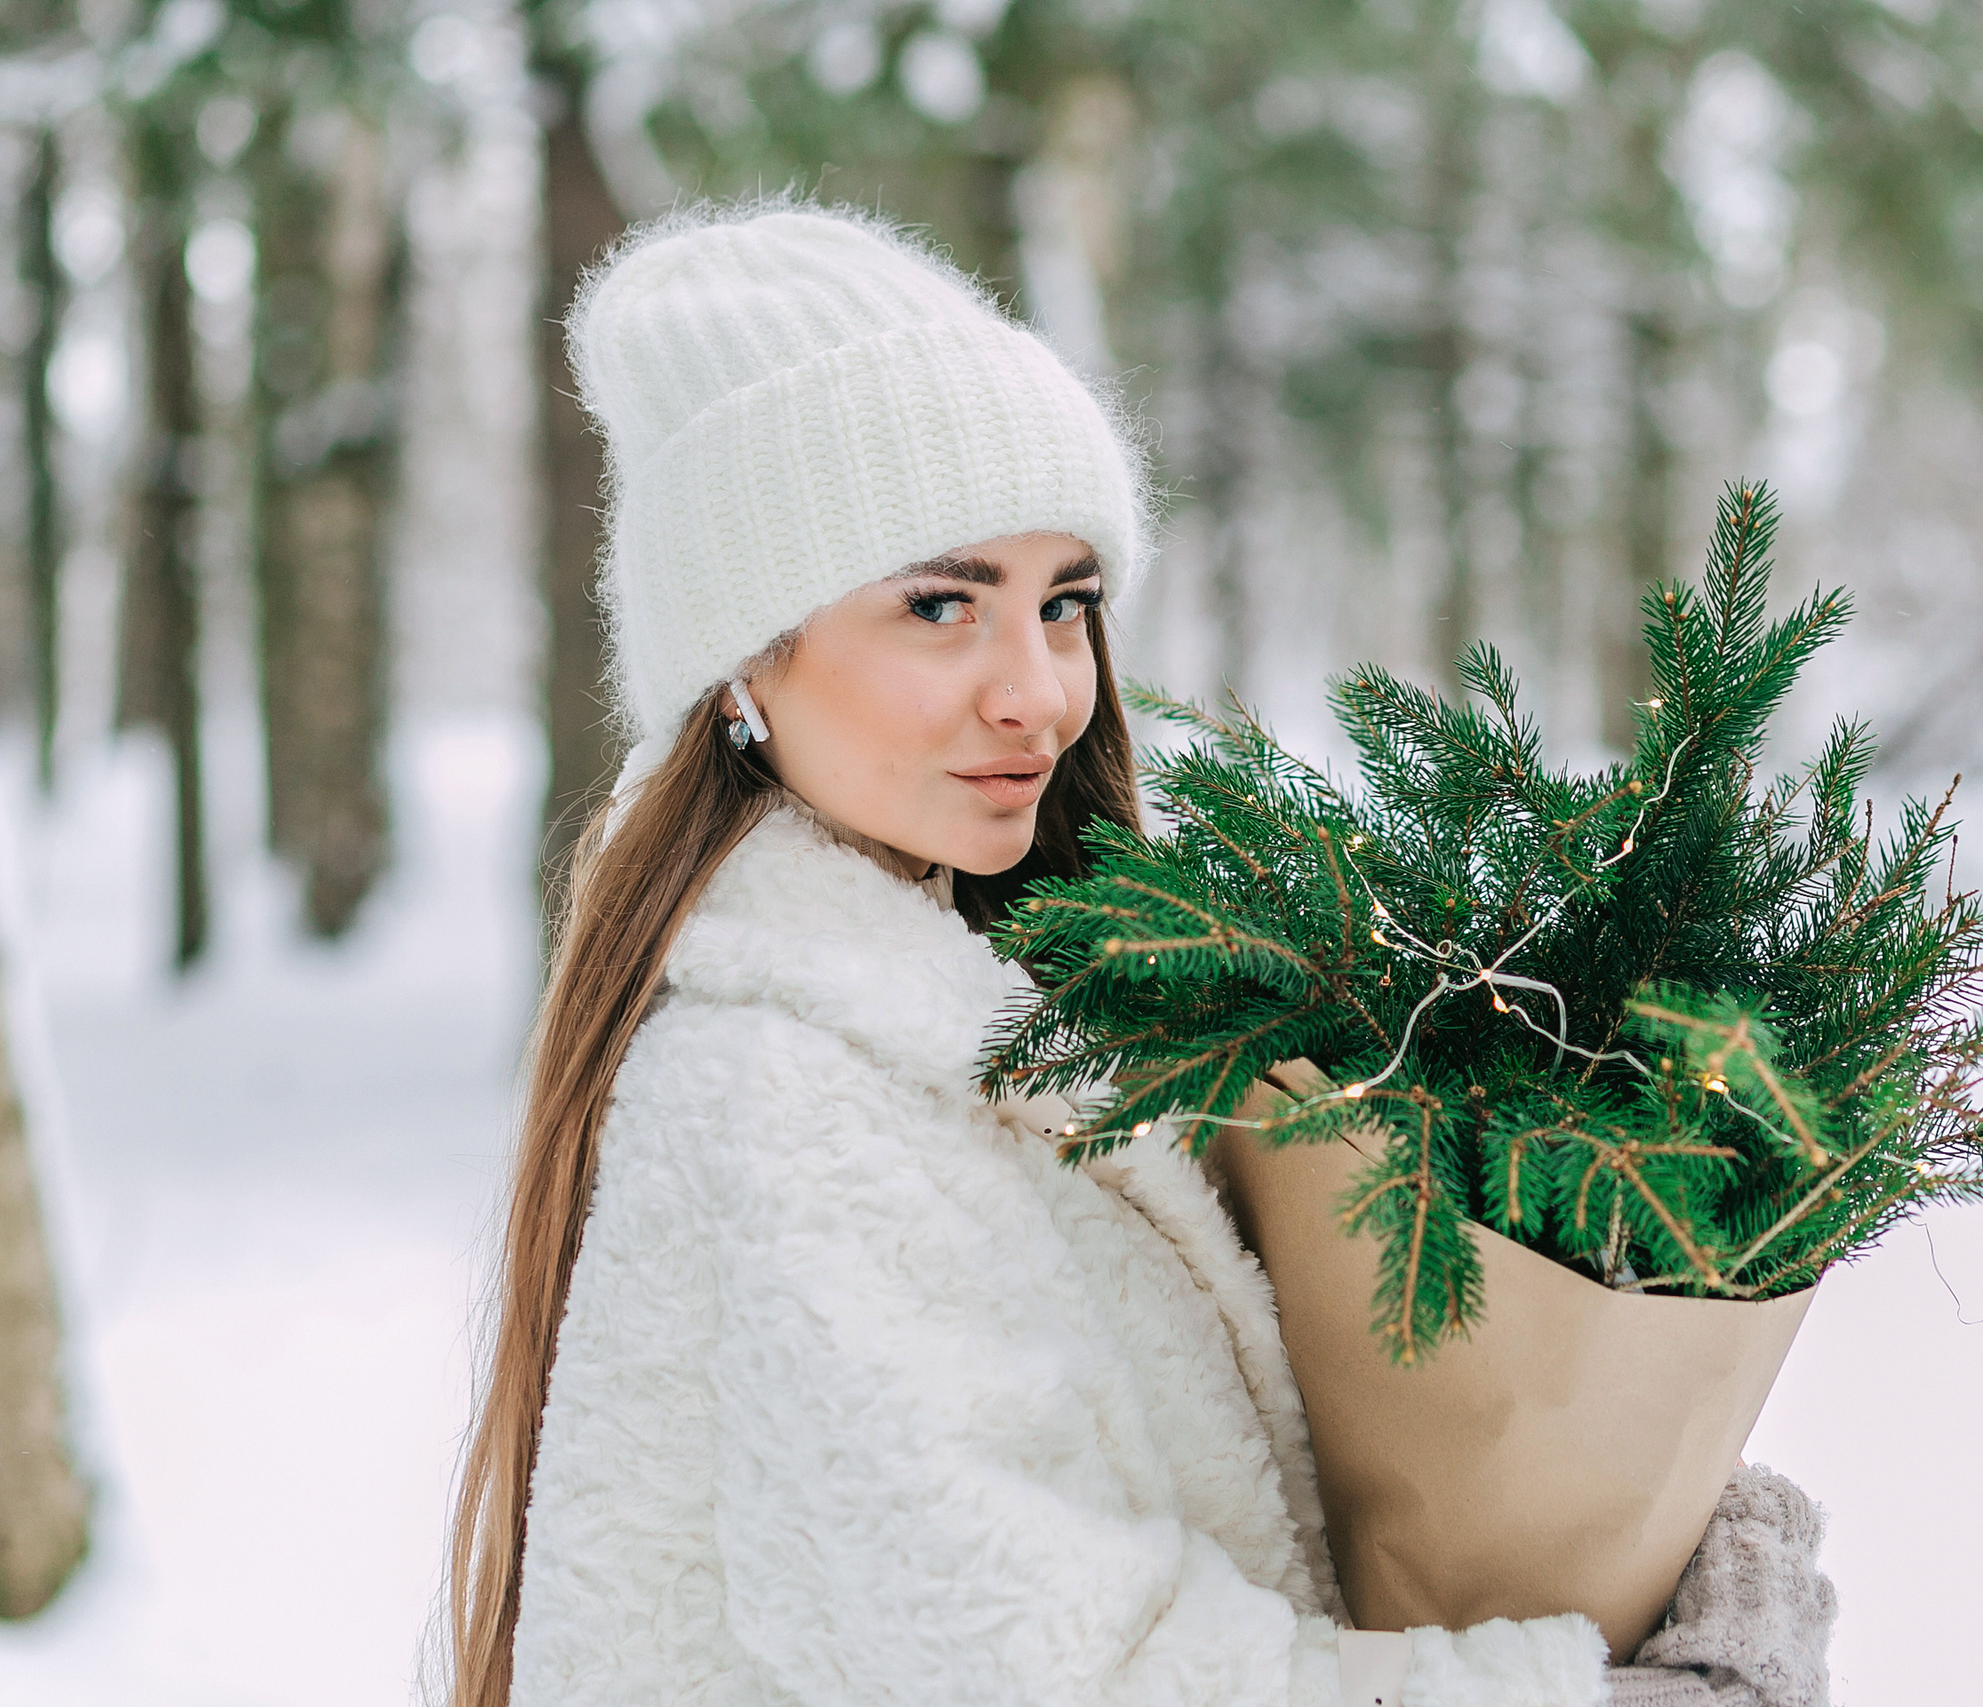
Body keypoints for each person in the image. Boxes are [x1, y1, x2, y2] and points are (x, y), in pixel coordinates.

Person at [439, 202, 1838, 1707]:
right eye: (941, 604)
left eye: (1067, 604)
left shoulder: (1007, 1011)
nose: (1039, 692)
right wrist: (1630, 1692)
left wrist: (1629, 1515)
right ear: (742, 661)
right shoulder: (790, 1104)